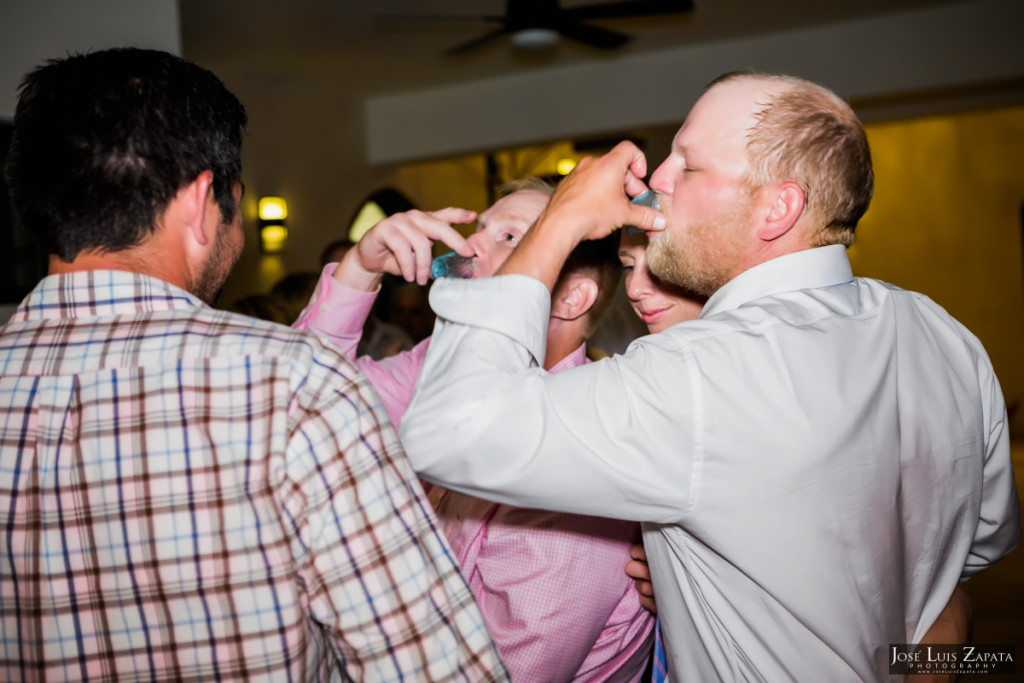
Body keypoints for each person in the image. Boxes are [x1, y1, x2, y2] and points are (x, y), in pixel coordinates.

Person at [397, 70, 1022, 680]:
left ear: (777, 208)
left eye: (688, 165)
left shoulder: (697, 373)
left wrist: (560, 220)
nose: (658, 179)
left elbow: (449, 428)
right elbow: (967, 555)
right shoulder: (941, 332)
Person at [0, 47, 507, 681]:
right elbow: (437, 670)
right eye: (237, 203)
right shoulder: (294, 387)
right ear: (201, 200)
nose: (237, 234)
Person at [294, 179, 656, 681]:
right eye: (480, 229)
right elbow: (296, 408)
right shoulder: (435, 369)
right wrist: (360, 268)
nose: (467, 247)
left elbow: (501, 672)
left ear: (572, 298)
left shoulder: (577, 448)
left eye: (513, 239)